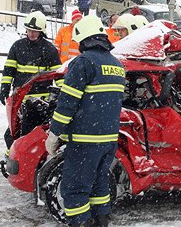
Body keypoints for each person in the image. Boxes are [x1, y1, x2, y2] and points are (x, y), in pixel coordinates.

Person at [46, 15, 125, 227]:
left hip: (84, 140)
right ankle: (101, 222)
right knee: (99, 185)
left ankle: (81, 223)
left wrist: (55, 132)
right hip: (109, 140)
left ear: (84, 39)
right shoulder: (117, 66)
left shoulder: (83, 63)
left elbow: (67, 103)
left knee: (75, 188)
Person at [0, 11, 62, 149]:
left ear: (42, 31)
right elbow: (9, 70)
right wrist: (4, 87)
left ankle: (21, 160)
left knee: (28, 134)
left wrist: (63, 93)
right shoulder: (17, 46)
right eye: (29, 30)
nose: (31, 33)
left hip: (40, 102)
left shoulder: (49, 49)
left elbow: (59, 75)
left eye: (35, 31)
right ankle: (15, 157)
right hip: (20, 99)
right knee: (12, 133)